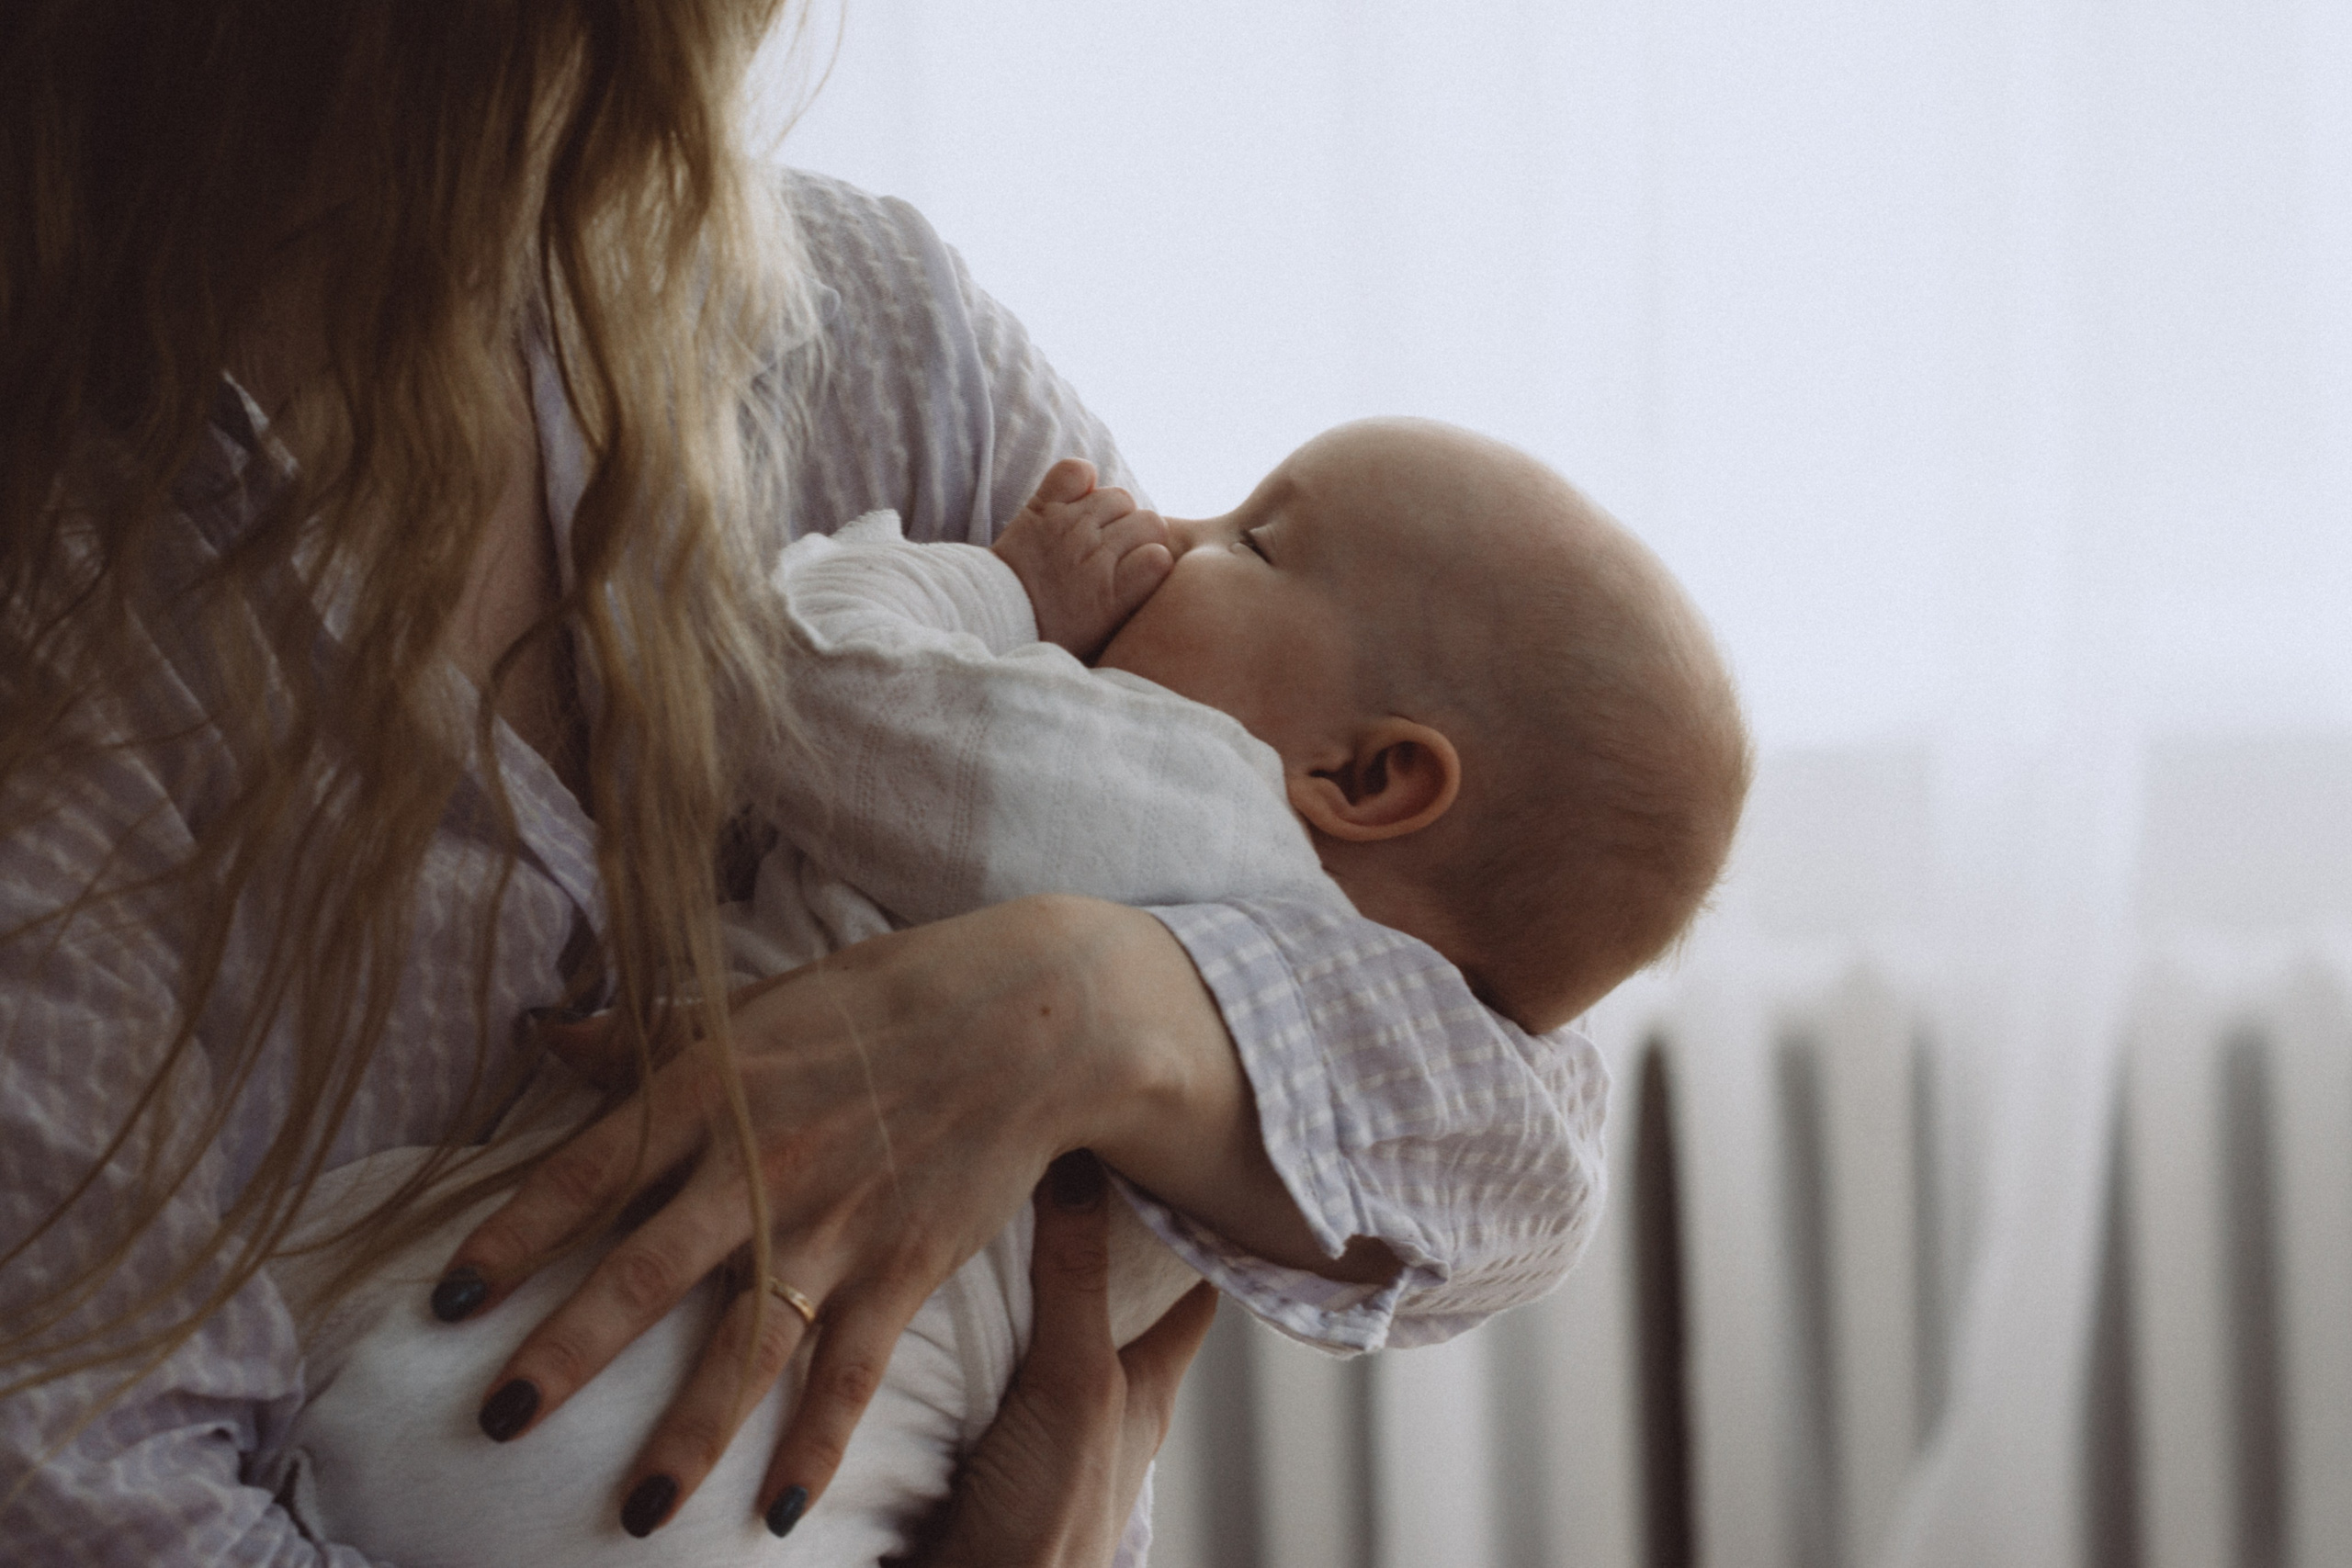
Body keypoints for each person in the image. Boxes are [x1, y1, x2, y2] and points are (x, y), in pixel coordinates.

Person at [1, 7, 1623, 1563]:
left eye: (1248, 533)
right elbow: (86, 1498)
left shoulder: (871, 337)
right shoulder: (68, 591)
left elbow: (1525, 1148)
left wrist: (1096, 1006)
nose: (1174, 534)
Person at [255, 420, 1750, 1564]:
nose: (1166, 531)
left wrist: (1000, 586)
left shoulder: (1186, 794)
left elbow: (791, 670)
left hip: (537, 1401)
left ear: (1362, 776)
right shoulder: (1351, 1088)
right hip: (779, 1503)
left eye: (1252, 538)